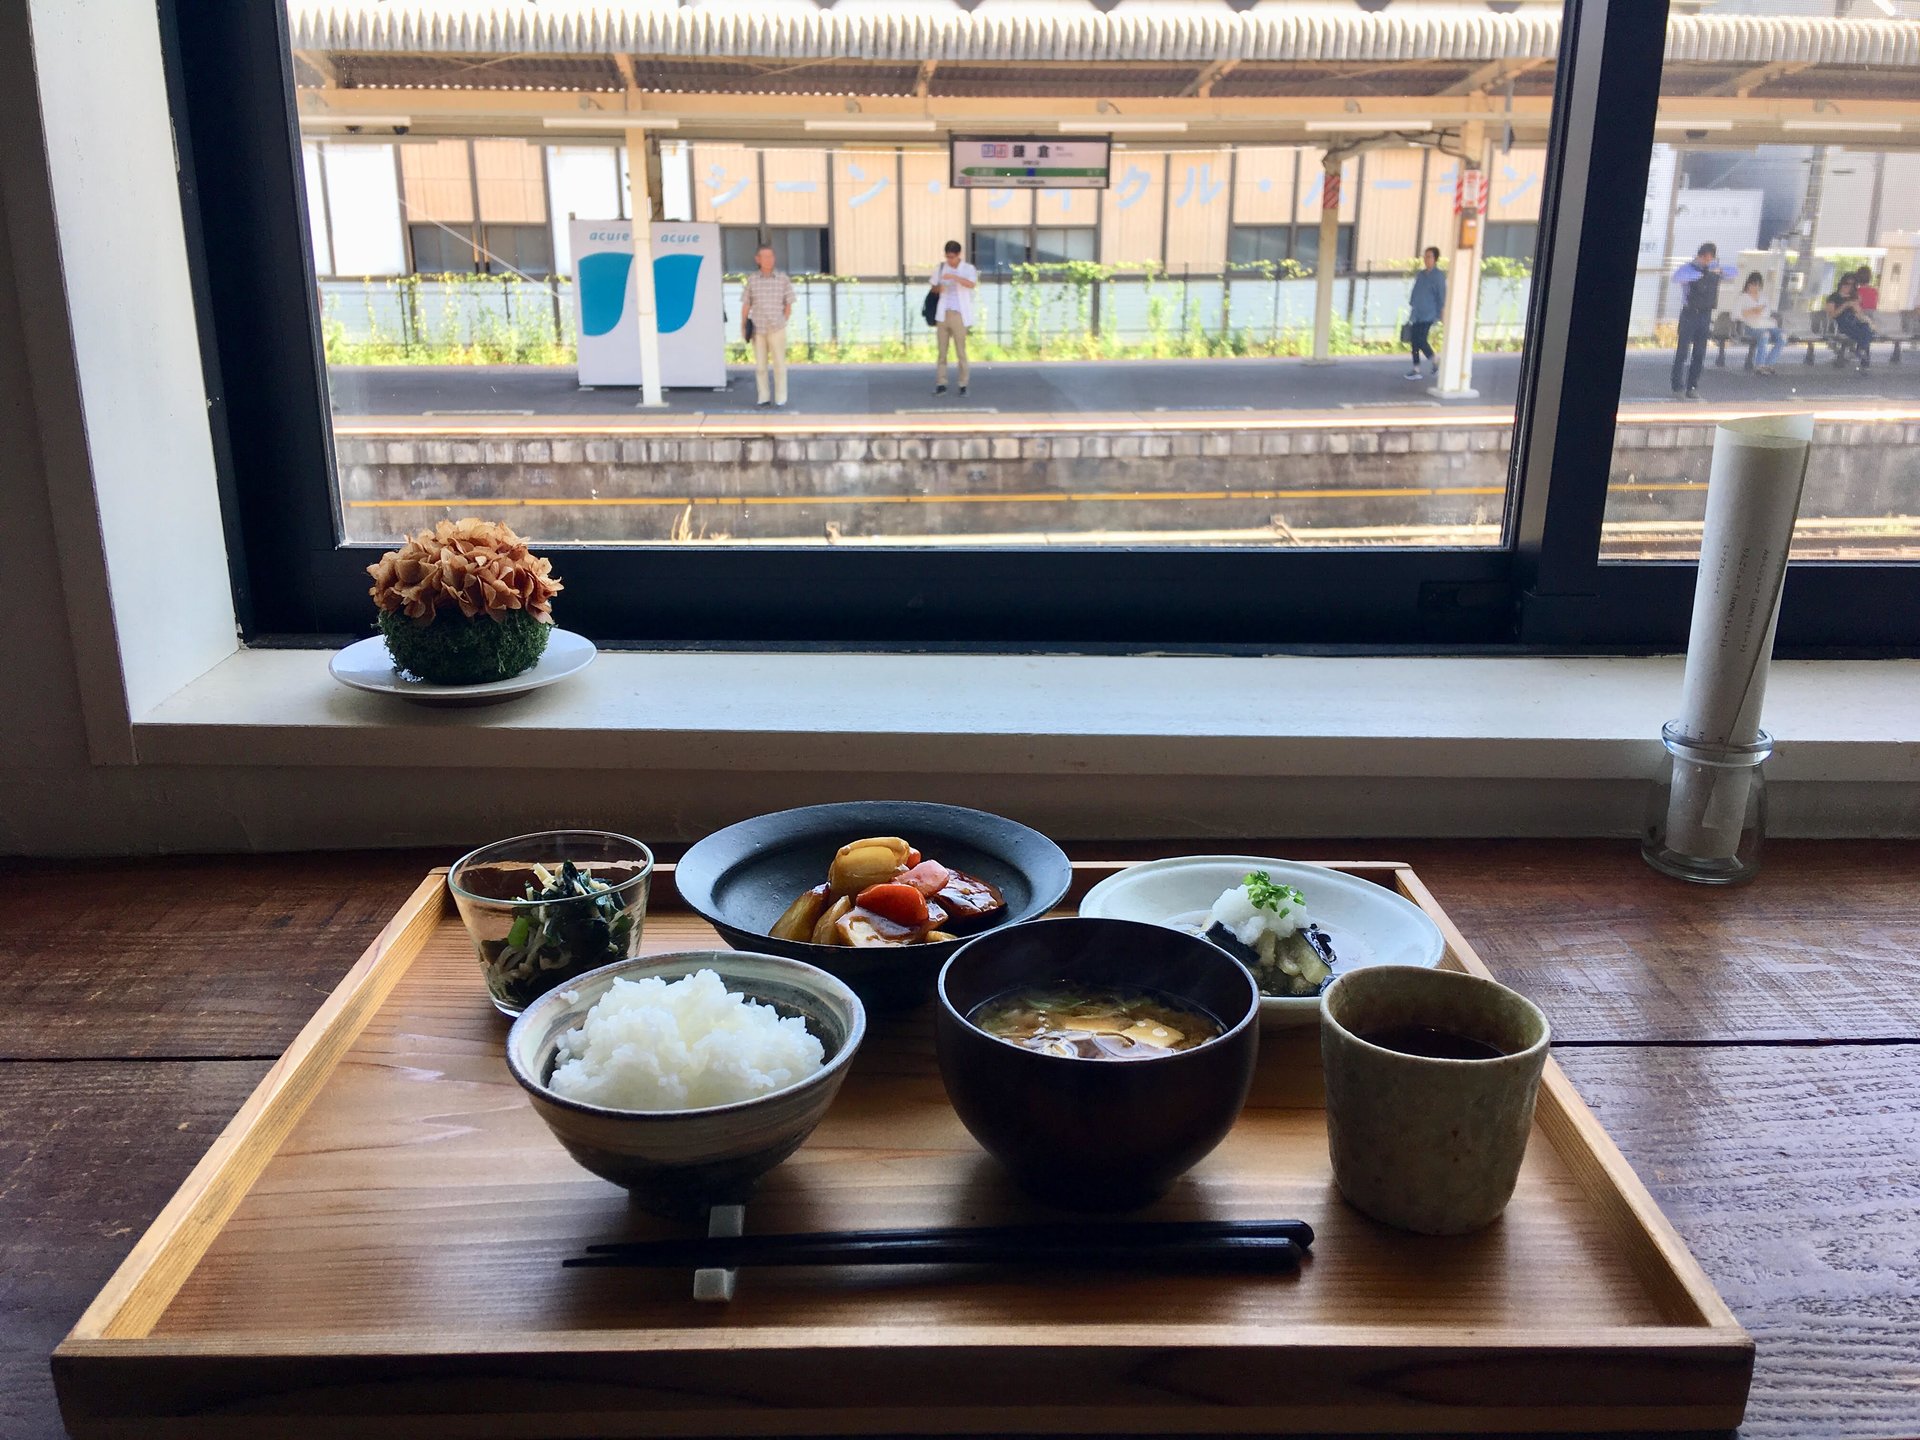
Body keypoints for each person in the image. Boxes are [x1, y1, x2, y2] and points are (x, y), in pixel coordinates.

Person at [1669, 242, 1736, 400]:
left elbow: (1733, 272)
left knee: (1699, 353)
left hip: (1705, 315)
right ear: (1699, 256)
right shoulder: (1689, 268)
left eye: (1710, 258)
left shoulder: (1714, 268)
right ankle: (1677, 386)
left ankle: (1692, 387)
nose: (1708, 261)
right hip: (1689, 314)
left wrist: (1716, 270)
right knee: (1682, 352)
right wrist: (1702, 273)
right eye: (1705, 258)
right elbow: (1677, 277)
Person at [740, 243, 795, 408]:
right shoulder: (752, 280)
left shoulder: (783, 279)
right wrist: (743, 325)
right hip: (758, 328)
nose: (769, 260)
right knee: (760, 366)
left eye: (771, 256)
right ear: (758, 259)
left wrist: (783, 319)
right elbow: (746, 304)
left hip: (777, 327)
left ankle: (781, 398)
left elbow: (789, 304)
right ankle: (763, 397)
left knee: (779, 364)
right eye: (765, 257)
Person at [931, 239, 978, 396]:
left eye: (952, 257)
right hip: (943, 313)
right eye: (947, 256)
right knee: (942, 351)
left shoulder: (968, 268)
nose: (949, 260)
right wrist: (940, 287)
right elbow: (933, 288)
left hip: (959, 314)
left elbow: (972, 284)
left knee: (961, 351)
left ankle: (963, 384)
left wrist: (955, 277)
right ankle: (941, 383)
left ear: (958, 255)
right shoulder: (940, 268)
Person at [1404, 246, 1444, 380]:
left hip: (1429, 313)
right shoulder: (1421, 274)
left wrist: (1441, 313)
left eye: (1429, 257)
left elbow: (1441, 296)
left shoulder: (1438, 276)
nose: (1426, 259)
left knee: (1421, 340)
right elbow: (1415, 291)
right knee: (1414, 341)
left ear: (1435, 259)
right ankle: (1416, 369)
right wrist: (1412, 304)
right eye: (1425, 256)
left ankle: (1435, 360)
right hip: (1417, 312)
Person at [1735, 272, 1785, 375]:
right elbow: (1736, 314)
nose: (1755, 287)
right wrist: (1751, 311)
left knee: (1782, 336)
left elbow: (1767, 312)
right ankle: (1760, 364)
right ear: (1748, 284)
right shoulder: (1742, 297)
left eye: (1758, 285)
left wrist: (1761, 311)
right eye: (1753, 284)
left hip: (1765, 323)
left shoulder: (1763, 297)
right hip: (1750, 325)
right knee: (1764, 335)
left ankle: (1769, 363)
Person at [1826, 273, 1874, 370]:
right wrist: (1845, 305)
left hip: (1854, 320)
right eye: (1847, 284)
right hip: (1841, 322)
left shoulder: (1854, 297)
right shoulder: (1833, 297)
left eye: (1852, 285)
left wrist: (1856, 307)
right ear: (1841, 284)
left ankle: (1860, 351)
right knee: (1863, 332)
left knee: (1866, 328)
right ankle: (1860, 352)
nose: (1848, 287)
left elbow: (1859, 313)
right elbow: (1832, 315)